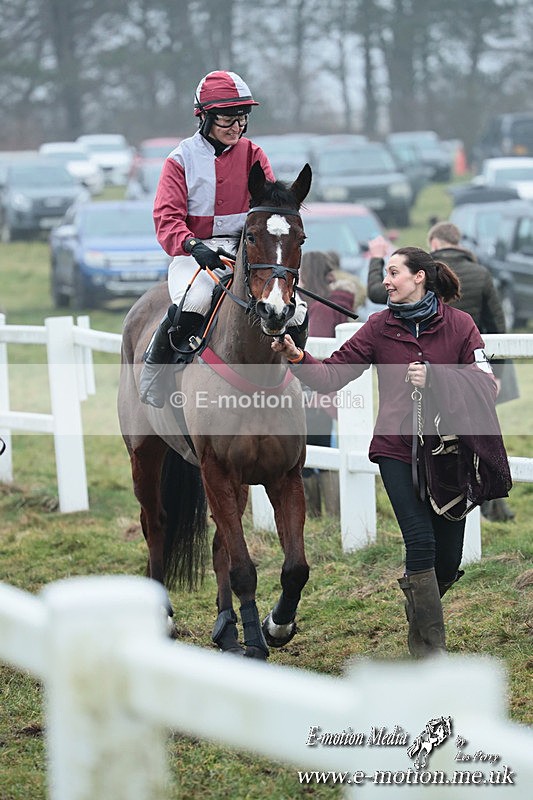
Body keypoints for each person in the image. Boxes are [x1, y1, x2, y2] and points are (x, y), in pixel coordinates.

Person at [272, 246, 511, 657]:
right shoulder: (379, 327)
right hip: (395, 450)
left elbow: (488, 385)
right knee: (420, 542)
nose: (385, 280)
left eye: (394, 272)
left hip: (447, 453)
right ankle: (429, 655)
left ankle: (420, 604)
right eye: (385, 272)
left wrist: (436, 378)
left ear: (419, 277)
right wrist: (297, 355)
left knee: (448, 563)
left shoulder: (461, 325)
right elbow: (332, 376)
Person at [139, 70, 308, 407]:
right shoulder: (179, 160)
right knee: (196, 300)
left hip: (248, 250)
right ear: (204, 117)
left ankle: (300, 377)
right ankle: (156, 374)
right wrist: (193, 246)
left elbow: (271, 211)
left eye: (241, 120)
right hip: (195, 251)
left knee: (297, 310)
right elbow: (166, 219)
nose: (236, 127)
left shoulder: (254, 154)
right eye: (228, 120)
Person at [367, 223, 515, 522]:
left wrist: (376, 259)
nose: (388, 280)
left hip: (453, 370)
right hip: (467, 372)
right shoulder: (481, 274)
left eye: (393, 273)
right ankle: (493, 506)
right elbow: (497, 322)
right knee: (473, 439)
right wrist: (494, 373)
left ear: (433, 243)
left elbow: (373, 292)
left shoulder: (425, 273)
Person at [298, 251, 364, 516]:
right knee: (323, 449)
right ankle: (330, 513)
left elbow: (319, 350)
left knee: (314, 452)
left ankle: (320, 514)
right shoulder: (334, 301)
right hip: (330, 388)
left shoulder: (322, 308)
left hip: (316, 390)